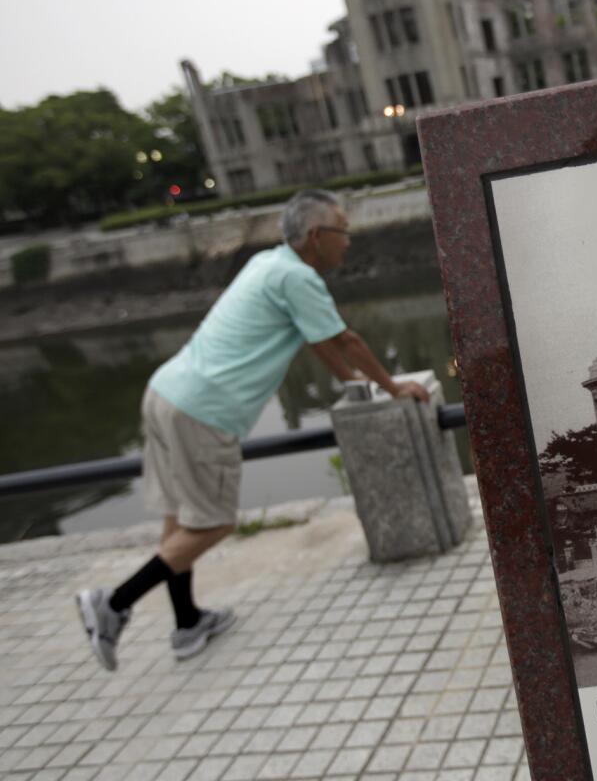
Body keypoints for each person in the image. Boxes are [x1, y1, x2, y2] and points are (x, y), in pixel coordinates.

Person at [76, 189, 430, 670]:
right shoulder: (298, 276)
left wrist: (352, 382)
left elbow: (318, 339)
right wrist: (392, 387)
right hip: (203, 412)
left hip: (166, 393)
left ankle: (187, 625)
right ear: (316, 236)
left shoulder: (269, 263)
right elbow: (344, 338)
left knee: (182, 519)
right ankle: (113, 604)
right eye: (343, 232)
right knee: (214, 522)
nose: (348, 242)